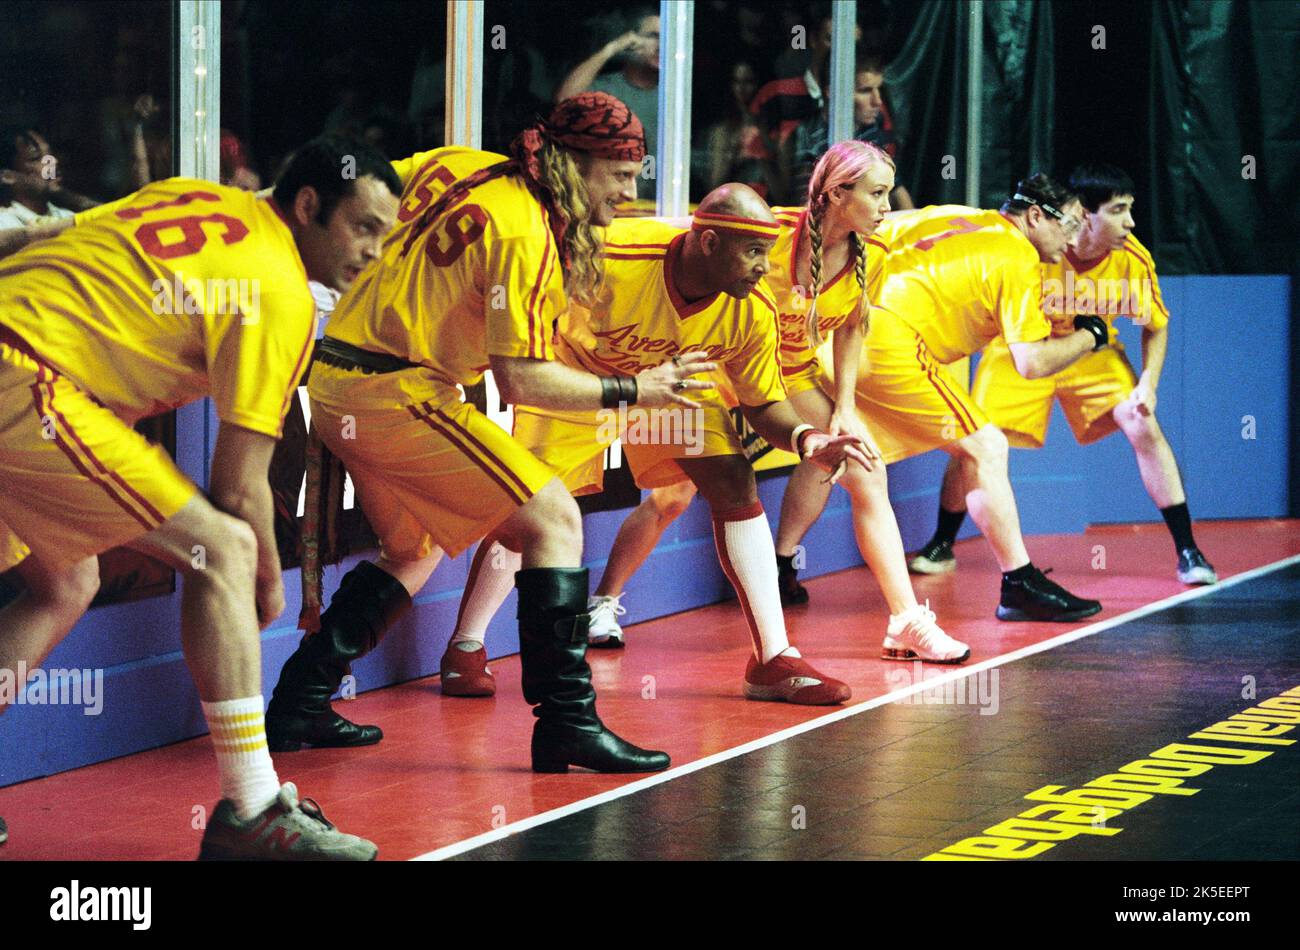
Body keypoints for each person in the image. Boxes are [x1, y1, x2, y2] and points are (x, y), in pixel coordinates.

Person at [0, 135, 401, 860]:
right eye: (363, 227)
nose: (373, 251)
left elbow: (61, 228)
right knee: (221, 548)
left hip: (23, 361)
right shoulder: (278, 289)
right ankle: (251, 811)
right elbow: (239, 485)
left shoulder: (202, 197)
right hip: (27, 375)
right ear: (308, 206)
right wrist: (267, 589)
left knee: (66, 579)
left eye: (385, 235)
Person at [265, 93, 684, 774]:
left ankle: (296, 703)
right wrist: (636, 389)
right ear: (575, 166)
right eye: (621, 175)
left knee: (412, 546)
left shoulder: (458, 163)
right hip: (395, 387)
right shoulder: (526, 233)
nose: (630, 192)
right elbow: (522, 383)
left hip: (338, 373)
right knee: (553, 522)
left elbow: (355, 200)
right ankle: (566, 723)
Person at [444, 184, 870, 707]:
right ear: (709, 243)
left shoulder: (750, 311)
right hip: (577, 380)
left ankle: (772, 660)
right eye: (754, 252)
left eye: (768, 251)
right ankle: (465, 645)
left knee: (734, 479)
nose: (766, 267)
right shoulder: (610, 256)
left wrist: (807, 437)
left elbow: (762, 405)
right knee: (527, 507)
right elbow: (520, 288)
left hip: (670, 390)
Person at [574, 142, 969, 664]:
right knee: (671, 499)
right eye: (875, 193)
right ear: (836, 192)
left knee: (864, 468)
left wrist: (845, 406)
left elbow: (853, 327)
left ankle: (904, 621)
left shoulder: (869, 255)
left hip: (788, 375)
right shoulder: (769, 232)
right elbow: (692, 252)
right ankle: (603, 602)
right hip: (713, 366)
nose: (885, 206)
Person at [784, 175, 1109, 623]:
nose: (1073, 239)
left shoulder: (950, 213)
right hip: (889, 346)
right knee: (986, 446)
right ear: (1035, 216)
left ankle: (781, 566)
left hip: (833, 333)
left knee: (830, 448)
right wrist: (1090, 338)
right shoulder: (1019, 256)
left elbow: (874, 232)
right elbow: (1031, 363)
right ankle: (1019, 583)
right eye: (1070, 224)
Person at [909, 164, 1216, 585]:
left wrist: (1149, 384)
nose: (1130, 222)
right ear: (1084, 215)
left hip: (1090, 356)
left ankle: (1188, 549)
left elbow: (1155, 325)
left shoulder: (1132, 259)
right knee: (973, 436)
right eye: (1118, 210)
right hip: (1022, 352)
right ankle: (942, 543)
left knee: (1141, 421)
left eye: (1130, 210)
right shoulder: (1034, 250)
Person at [788, 53, 916, 210]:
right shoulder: (809, 138)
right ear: (833, 92)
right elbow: (807, 209)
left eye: (878, 89)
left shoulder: (872, 126)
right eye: (865, 91)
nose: (877, 101)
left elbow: (896, 188)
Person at [555, 7, 659, 188]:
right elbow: (565, 100)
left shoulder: (674, 96)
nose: (661, 44)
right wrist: (612, 48)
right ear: (631, 40)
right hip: (613, 202)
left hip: (660, 209)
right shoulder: (608, 89)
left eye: (668, 37)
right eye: (653, 36)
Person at [0, 127, 98, 229]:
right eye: (36, 158)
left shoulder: (68, 216)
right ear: (8, 176)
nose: (54, 161)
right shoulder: (4, 223)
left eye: (50, 154)